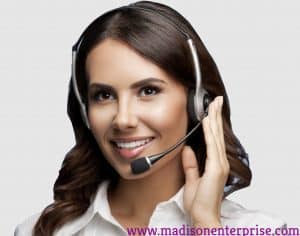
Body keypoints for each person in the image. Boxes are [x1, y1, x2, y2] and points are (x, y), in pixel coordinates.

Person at [15, 1, 286, 235]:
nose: (123, 119)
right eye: (104, 95)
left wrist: (205, 226)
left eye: (148, 90)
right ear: (85, 110)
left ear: (198, 104)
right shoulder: (40, 231)